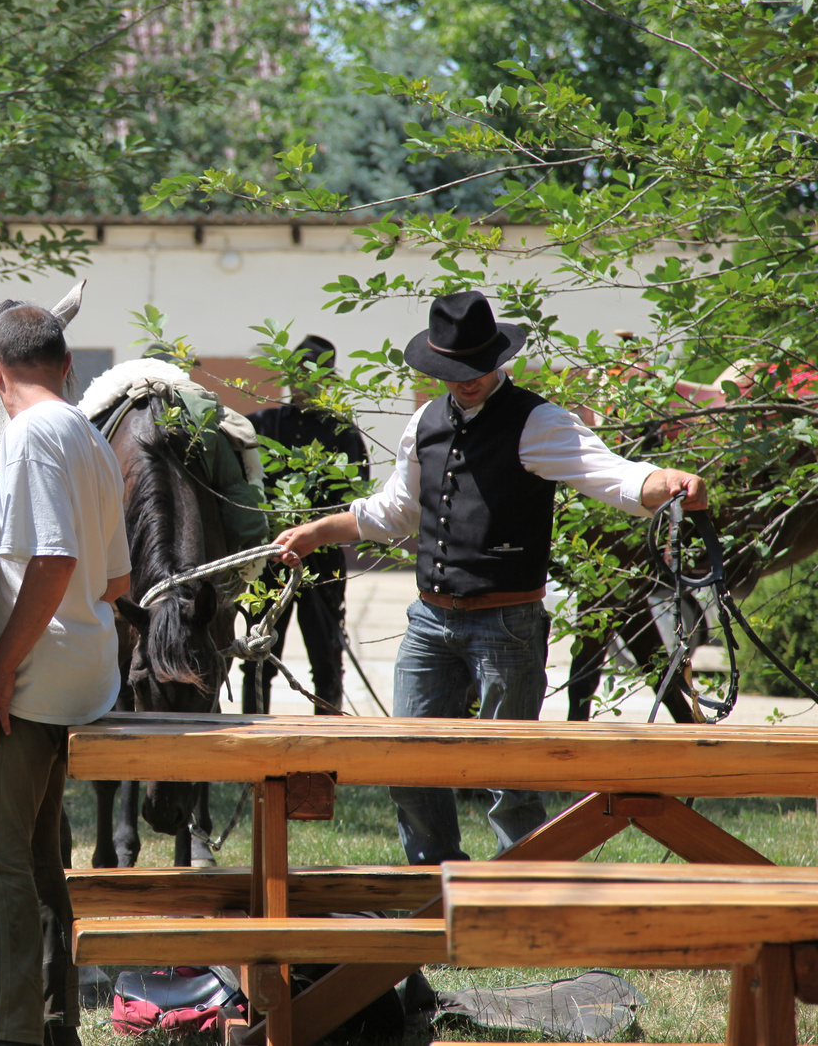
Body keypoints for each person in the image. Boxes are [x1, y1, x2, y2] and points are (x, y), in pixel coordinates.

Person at [272, 291, 707, 865]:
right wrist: (316, 531)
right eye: (453, 370)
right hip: (429, 620)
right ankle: (436, 888)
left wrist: (667, 483)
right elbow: (395, 511)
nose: (466, 380)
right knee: (408, 766)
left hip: (507, 624)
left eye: (475, 367)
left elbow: (614, 477)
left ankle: (519, 899)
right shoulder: (424, 422)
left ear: (498, 359)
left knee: (511, 780)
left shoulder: (539, 421)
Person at [0, 304, 131, 1046]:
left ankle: (18, 1034)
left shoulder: (28, 435)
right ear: (67, 366)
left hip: (32, 684)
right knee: (40, 858)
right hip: (88, 675)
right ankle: (60, 1025)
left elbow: (55, 561)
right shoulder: (92, 436)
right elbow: (116, 582)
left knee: (1, 860)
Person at [245, 335, 370, 714]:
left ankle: (328, 743)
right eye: (298, 373)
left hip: (323, 561)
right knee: (257, 655)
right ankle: (251, 742)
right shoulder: (260, 425)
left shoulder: (342, 432)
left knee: (327, 659)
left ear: (329, 378)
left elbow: (356, 497)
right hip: (268, 561)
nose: (305, 382)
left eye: (314, 374)